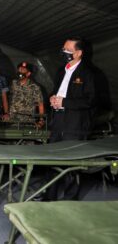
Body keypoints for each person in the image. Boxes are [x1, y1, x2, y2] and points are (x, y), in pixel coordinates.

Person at [44, 37, 96, 200]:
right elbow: (57, 91)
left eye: (68, 50)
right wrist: (53, 98)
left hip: (75, 124)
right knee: (50, 159)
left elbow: (91, 100)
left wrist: (64, 101)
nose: (64, 52)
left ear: (79, 53)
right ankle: (48, 196)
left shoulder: (88, 73)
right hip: (58, 120)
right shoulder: (61, 71)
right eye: (63, 49)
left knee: (72, 163)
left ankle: (69, 200)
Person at [4, 61, 45, 127]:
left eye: (23, 70)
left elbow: (40, 104)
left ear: (28, 73)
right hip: (13, 121)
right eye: (19, 69)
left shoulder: (34, 87)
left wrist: (41, 120)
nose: (20, 71)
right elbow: (4, 94)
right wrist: (6, 112)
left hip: (28, 121)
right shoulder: (13, 83)